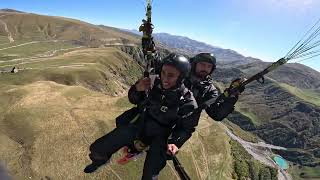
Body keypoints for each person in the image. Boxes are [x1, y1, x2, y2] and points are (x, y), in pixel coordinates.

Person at [84, 53, 199, 180]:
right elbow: (133, 99)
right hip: (141, 123)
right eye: (163, 72)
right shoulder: (152, 82)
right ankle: (99, 161)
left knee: (150, 173)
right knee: (100, 147)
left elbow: (187, 128)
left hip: (162, 137)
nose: (165, 78)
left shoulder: (188, 102)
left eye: (171, 75)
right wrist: (137, 89)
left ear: (181, 77)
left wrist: (175, 142)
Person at [185, 52, 245, 121]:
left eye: (209, 66)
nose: (205, 68)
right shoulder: (179, 76)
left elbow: (216, 114)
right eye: (202, 64)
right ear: (194, 64)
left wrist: (232, 96)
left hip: (182, 128)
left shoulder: (209, 90)